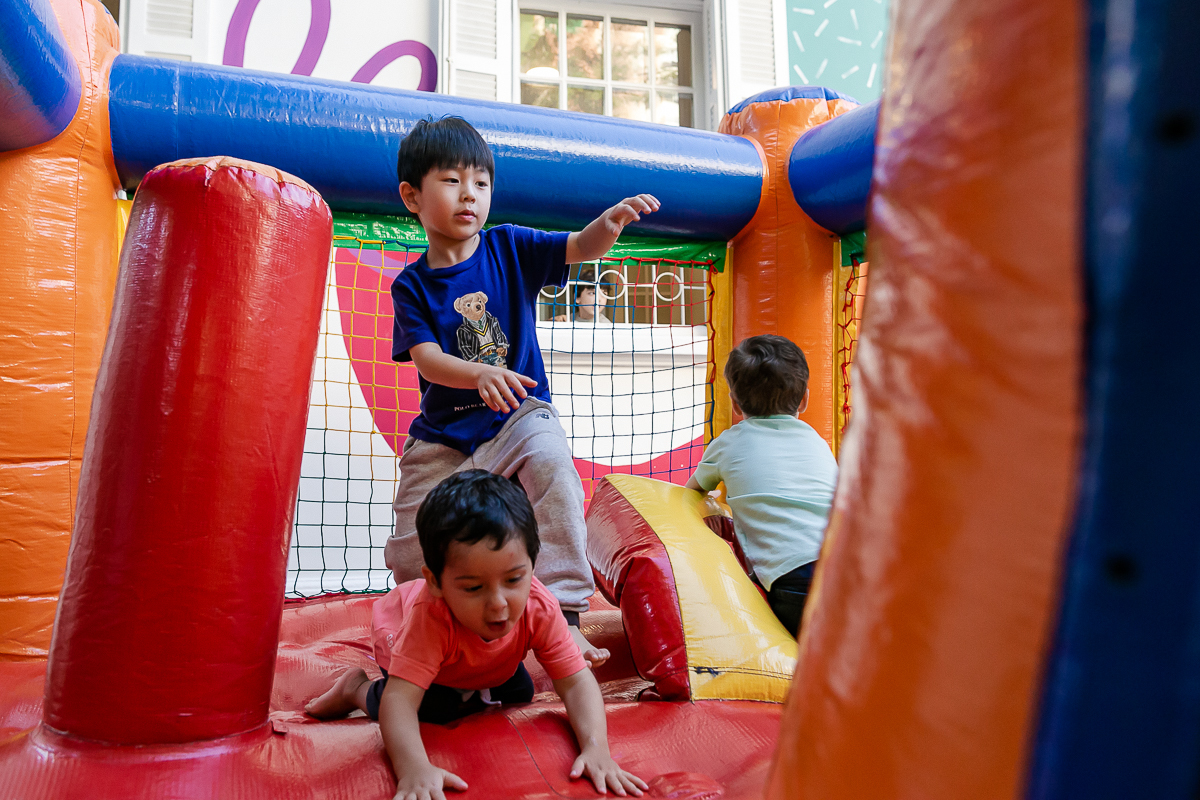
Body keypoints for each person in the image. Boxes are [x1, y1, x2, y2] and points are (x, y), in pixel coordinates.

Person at [384, 116, 660, 667]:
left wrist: (608, 224)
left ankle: (565, 613)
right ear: (412, 196)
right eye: (452, 181)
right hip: (444, 438)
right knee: (412, 542)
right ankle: (423, 618)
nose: (470, 195)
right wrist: (479, 373)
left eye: (481, 183)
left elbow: (581, 247)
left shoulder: (509, 247)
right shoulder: (411, 285)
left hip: (517, 417)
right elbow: (429, 361)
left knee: (553, 461)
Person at [307, 471, 648, 800]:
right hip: (404, 637)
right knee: (436, 707)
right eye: (473, 588)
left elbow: (575, 682)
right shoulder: (430, 618)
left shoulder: (538, 604)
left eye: (514, 579)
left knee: (521, 691)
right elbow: (400, 701)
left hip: (485, 662)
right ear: (437, 583)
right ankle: (356, 689)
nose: (499, 603)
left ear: (532, 565)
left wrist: (596, 749)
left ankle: (474, 677)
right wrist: (413, 768)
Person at [685, 335, 838, 636]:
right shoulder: (818, 442)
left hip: (793, 579)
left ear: (734, 403)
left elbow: (688, 493)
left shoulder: (728, 443)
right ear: (805, 398)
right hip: (847, 565)